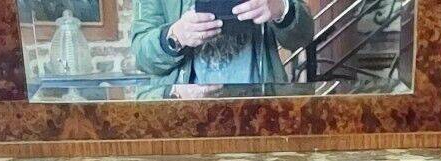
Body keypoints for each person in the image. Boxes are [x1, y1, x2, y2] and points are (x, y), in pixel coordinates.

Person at [132, 0, 314, 87]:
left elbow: (303, 36)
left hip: (259, 111)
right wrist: (176, 36)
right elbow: (141, 55)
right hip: (185, 113)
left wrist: (281, 8)